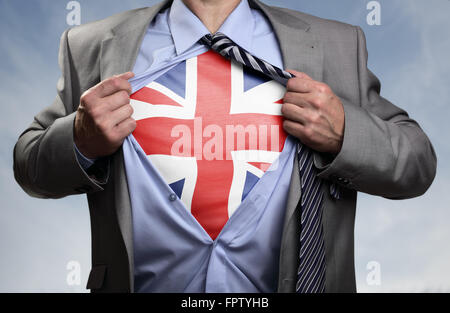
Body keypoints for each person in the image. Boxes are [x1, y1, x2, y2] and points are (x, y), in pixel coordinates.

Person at [13, 0, 436, 293]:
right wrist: (79, 139)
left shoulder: (334, 44)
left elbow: (417, 161)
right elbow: (29, 163)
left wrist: (345, 130)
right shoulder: (90, 45)